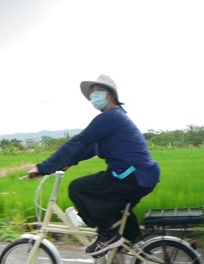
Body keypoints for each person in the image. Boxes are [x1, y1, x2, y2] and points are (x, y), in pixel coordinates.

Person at [27, 74, 160, 257]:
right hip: (140, 177)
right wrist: (67, 163)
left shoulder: (111, 117)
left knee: (78, 188)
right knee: (114, 212)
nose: (93, 96)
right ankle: (127, 240)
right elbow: (87, 149)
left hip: (131, 177)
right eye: (92, 93)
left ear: (111, 95)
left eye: (98, 91)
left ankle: (107, 236)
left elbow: (78, 141)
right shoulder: (114, 119)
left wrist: (43, 167)